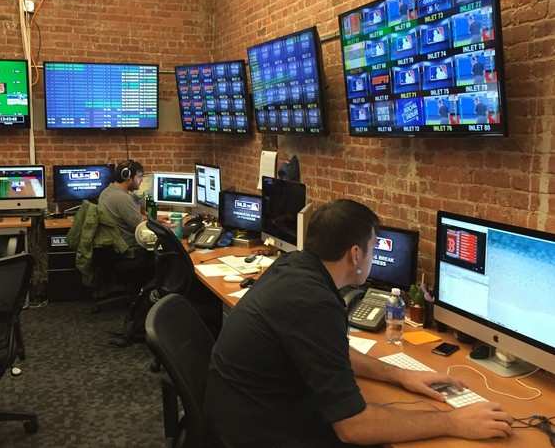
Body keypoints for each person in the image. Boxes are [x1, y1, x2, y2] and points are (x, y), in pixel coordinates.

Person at [204, 199, 513, 448]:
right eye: (373, 247)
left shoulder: (293, 267)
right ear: (355, 254)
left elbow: (330, 351)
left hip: (239, 411)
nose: (372, 254)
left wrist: (401, 375)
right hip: (257, 432)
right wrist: (453, 422)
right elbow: (354, 428)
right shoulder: (314, 302)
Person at [97, 160, 154, 284]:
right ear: (128, 177)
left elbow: (137, 215)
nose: (141, 181)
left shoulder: (107, 192)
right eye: (139, 177)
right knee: (165, 254)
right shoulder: (122, 198)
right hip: (129, 251)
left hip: (114, 249)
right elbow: (142, 228)